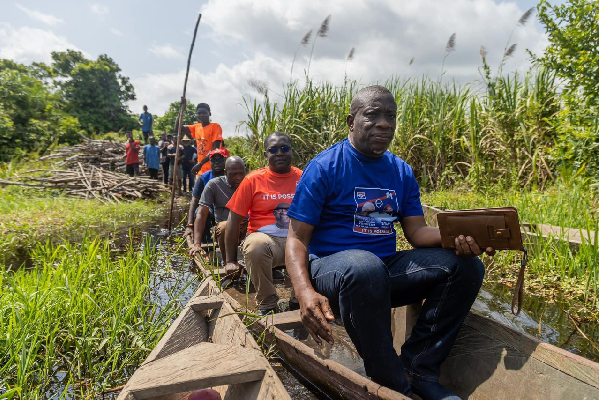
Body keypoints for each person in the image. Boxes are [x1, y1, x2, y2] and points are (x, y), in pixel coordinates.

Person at [285, 86, 494, 399]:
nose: (384, 123)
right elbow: (296, 239)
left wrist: (459, 237)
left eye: (390, 117)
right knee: (364, 267)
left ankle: (418, 368)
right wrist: (304, 293)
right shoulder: (325, 167)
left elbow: (418, 233)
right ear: (351, 121)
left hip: (380, 273)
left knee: (465, 267)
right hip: (332, 271)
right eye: (373, 115)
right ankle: (394, 386)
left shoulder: (401, 171)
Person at [225, 132, 302, 316]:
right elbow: (233, 221)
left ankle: (297, 299)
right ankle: (267, 303)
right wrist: (230, 261)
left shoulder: (303, 177)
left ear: (292, 151)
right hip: (268, 241)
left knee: (320, 242)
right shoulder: (252, 180)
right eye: (273, 150)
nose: (280, 153)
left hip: (297, 239)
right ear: (266, 155)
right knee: (255, 247)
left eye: (284, 148)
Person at [188, 156, 248, 263]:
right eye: (233, 174)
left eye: (241, 173)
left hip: (246, 227)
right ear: (225, 172)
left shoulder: (250, 183)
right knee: (226, 226)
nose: (238, 177)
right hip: (225, 229)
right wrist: (197, 244)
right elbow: (202, 213)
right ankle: (229, 262)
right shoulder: (214, 185)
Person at [184, 148, 230, 241]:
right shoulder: (203, 178)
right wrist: (189, 225)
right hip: (209, 213)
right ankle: (205, 241)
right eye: (213, 160)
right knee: (199, 211)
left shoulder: (231, 177)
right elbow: (194, 201)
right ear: (210, 162)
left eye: (220, 159)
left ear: (225, 161)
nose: (216, 162)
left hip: (226, 213)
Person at [176, 101, 223, 175]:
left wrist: (200, 164)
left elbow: (215, 149)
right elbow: (178, 129)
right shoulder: (196, 127)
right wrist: (181, 110)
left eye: (204, 113)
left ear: (209, 114)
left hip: (213, 169)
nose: (201, 115)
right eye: (199, 113)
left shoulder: (215, 127)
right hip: (201, 170)